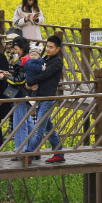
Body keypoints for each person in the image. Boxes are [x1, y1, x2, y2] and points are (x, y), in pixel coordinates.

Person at [24, 34, 65, 163]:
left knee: (39, 127)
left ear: (57, 49)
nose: (48, 49)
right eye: (47, 46)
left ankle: (28, 154)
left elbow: (45, 75)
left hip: (48, 98)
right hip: (41, 97)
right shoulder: (45, 59)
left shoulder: (57, 62)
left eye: (51, 47)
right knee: (48, 128)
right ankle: (59, 153)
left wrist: (29, 82)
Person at [7, 37, 33, 157]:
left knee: (20, 123)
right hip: (27, 95)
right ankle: (33, 148)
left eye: (16, 49)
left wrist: (5, 78)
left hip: (20, 94)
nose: (14, 51)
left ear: (22, 48)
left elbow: (19, 81)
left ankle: (21, 150)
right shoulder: (28, 58)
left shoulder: (23, 60)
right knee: (28, 121)